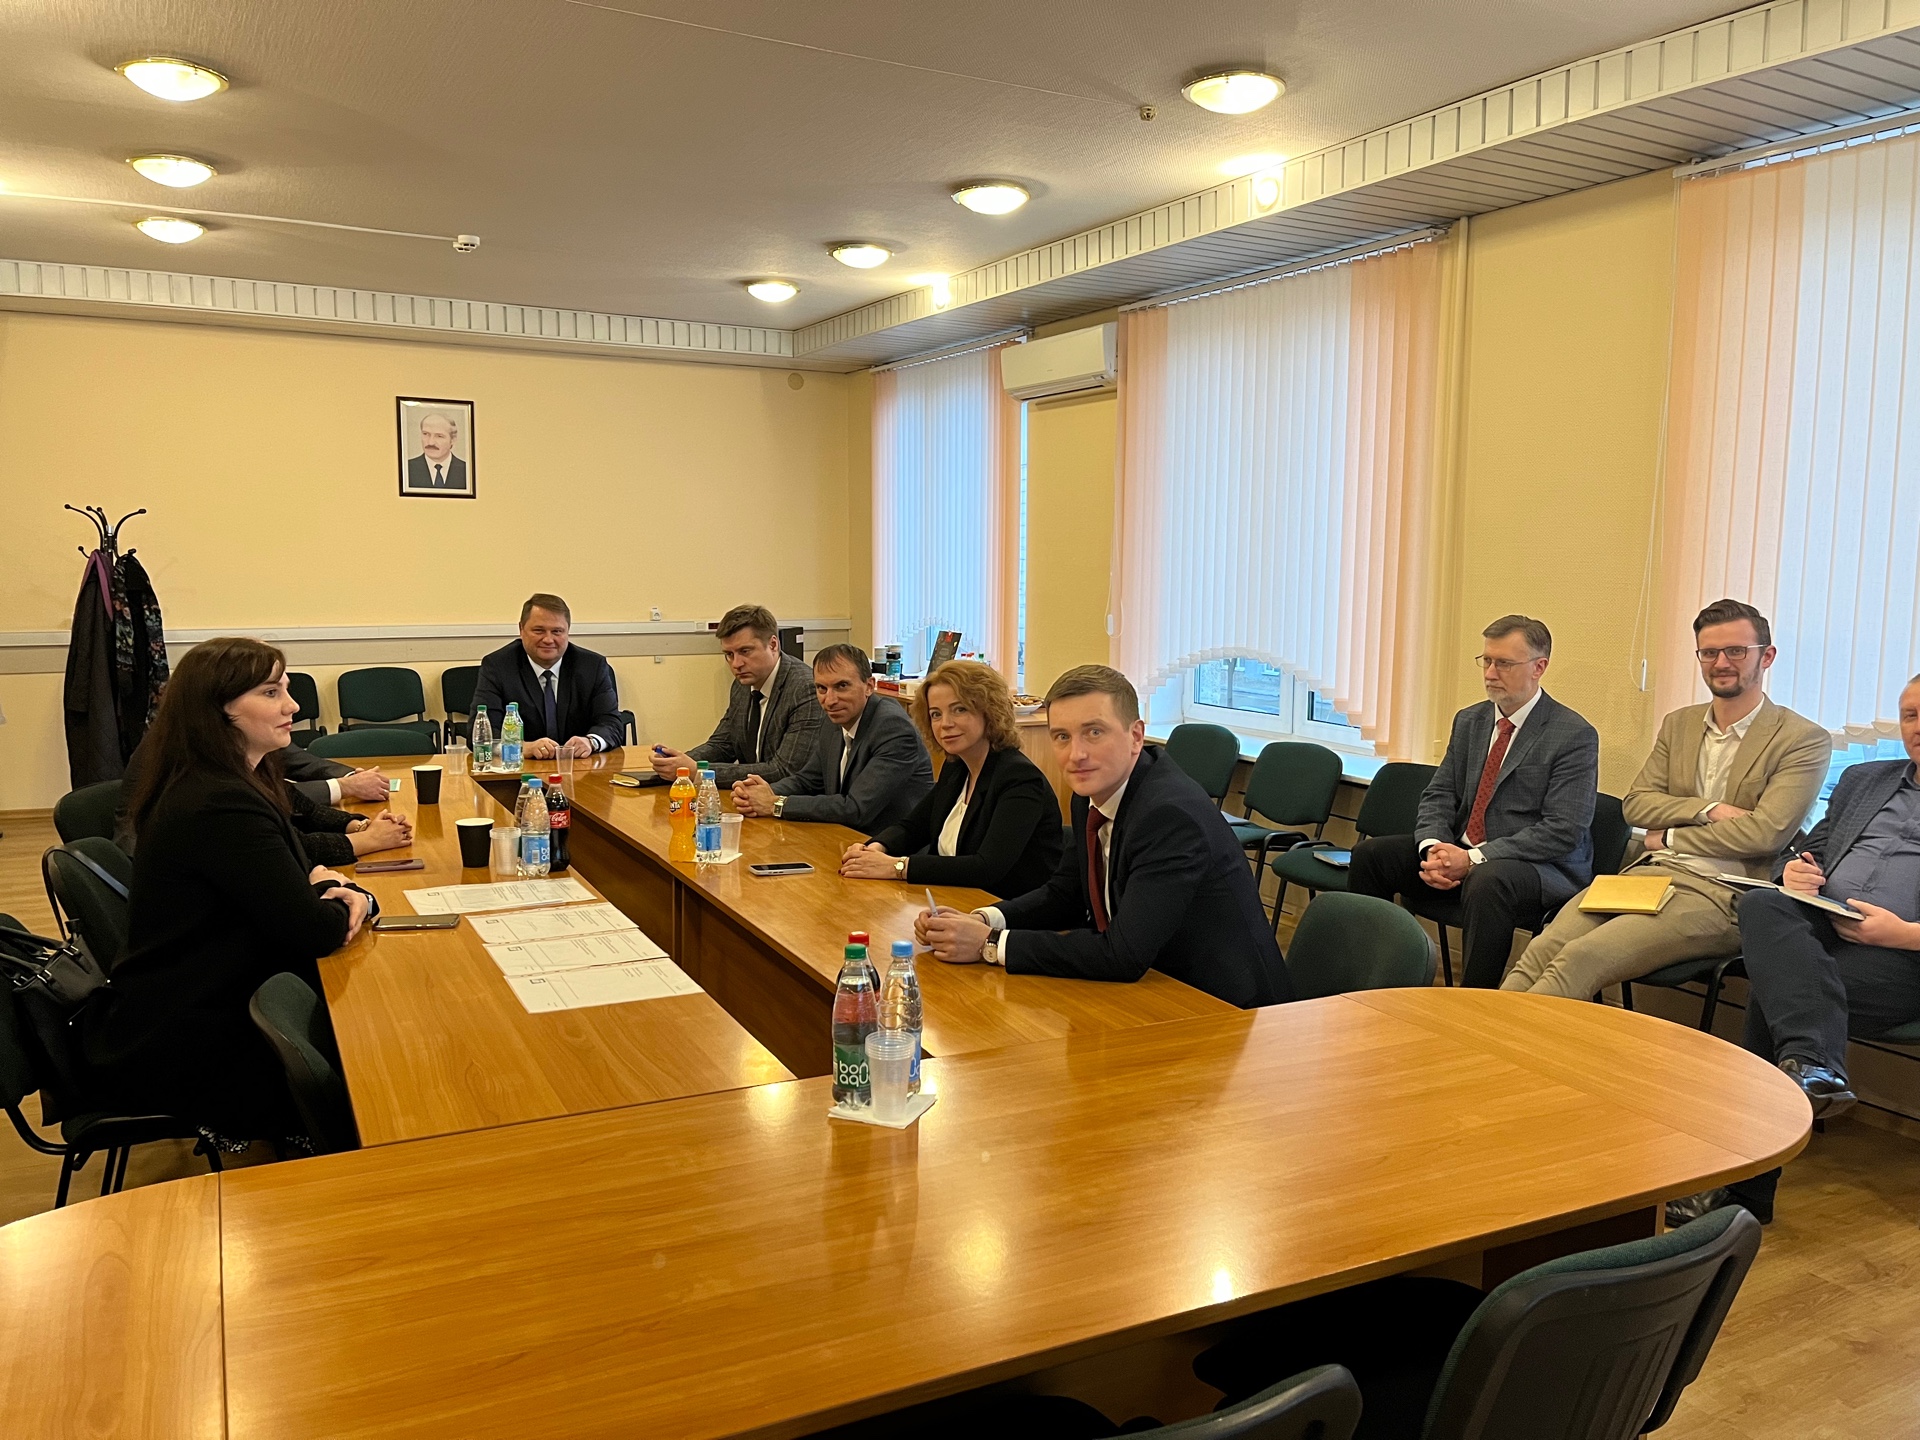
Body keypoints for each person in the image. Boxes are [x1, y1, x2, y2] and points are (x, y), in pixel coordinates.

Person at [82, 638, 373, 1144]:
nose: (293, 705)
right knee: (376, 1062)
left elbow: (290, 870)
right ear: (219, 711)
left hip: (197, 998)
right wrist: (358, 898)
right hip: (194, 1034)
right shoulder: (219, 802)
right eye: (271, 692)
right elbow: (312, 931)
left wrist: (322, 882)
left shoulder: (224, 779)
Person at [1671, 675, 1920, 1227]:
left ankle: (1746, 1185)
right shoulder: (1866, 779)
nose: (1917, 727)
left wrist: (1903, 934)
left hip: (1904, 957)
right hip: (1825, 925)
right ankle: (1813, 1064)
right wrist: (1797, 870)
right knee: (1763, 904)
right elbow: (1814, 847)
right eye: (1910, 715)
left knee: (1776, 996)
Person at [1503, 599, 1829, 999]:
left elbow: (1764, 834)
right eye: (1709, 652)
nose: (1721, 662)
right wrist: (1708, 810)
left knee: (1581, 957)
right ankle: (1474, 1034)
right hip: (1649, 875)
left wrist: (1671, 836)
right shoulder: (1680, 724)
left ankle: (1506, 1040)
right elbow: (1637, 804)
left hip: (1722, 894)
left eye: (1736, 651)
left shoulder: (1801, 739)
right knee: (1542, 949)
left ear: (1767, 657)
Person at [916, 665, 1291, 1009]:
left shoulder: (1169, 815)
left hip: (1224, 1009)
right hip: (1153, 986)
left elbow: (1122, 954)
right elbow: (1065, 895)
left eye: (1094, 732)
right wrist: (984, 919)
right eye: (1062, 737)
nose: (1076, 754)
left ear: (1136, 736)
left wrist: (990, 945)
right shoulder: (1090, 795)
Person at [1348, 615, 1598, 988]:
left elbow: (1563, 830)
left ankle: (1474, 1001)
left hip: (1537, 867)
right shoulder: (1470, 720)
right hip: (1463, 853)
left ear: (1539, 667)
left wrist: (1473, 858)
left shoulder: (1573, 734)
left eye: (1504, 663)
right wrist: (1434, 848)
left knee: (1488, 880)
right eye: (1486, 661)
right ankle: (1371, 982)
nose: (1491, 674)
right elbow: (1440, 793)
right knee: (1371, 856)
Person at [843, 660, 1063, 896]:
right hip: (951, 900)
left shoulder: (1020, 779)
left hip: (1004, 908)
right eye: (936, 714)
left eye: (959, 710)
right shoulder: (956, 767)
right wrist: (875, 849)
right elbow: (913, 827)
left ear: (990, 711)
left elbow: (986, 868)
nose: (945, 724)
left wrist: (897, 867)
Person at [115, 731, 414, 866]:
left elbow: (296, 801)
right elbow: (289, 846)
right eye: (271, 692)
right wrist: (366, 841)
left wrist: (357, 824)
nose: (292, 705)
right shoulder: (205, 774)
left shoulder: (244, 746)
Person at [731, 645, 932, 832]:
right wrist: (759, 793)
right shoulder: (834, 720)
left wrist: (775, 804)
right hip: (847, 838)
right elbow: (808, 781)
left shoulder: (893, 729)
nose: (830, 700)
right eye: (821, 688)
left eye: (842, 686)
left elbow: (856, 808)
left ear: (869, 686)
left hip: (890, 847)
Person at [647, 605, 821, 786]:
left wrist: (697, 772)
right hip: (747, 796)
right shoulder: (742, 685)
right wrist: (677, 762)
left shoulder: (805, 689)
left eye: (745, 651)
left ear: (773, 645)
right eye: (729, 654)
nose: (736, 664)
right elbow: (722, 745)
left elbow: (783, 771)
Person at [472, 593, 624, 758]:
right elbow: (482, 733)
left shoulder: (592, 666)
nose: (548, 639)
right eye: (539, 630)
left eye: (557, 631)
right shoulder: (498, 666)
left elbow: (611, 723)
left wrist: (590, 741)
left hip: (580, 765)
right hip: (522, 767)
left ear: (567, 631)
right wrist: (522, 748)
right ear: (521, 630)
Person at [405, 410, 468, 491]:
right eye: (426, 434)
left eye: (439, 436)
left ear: (453, 439)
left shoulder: (466, 471)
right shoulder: (406, 469)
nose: (430, 442)